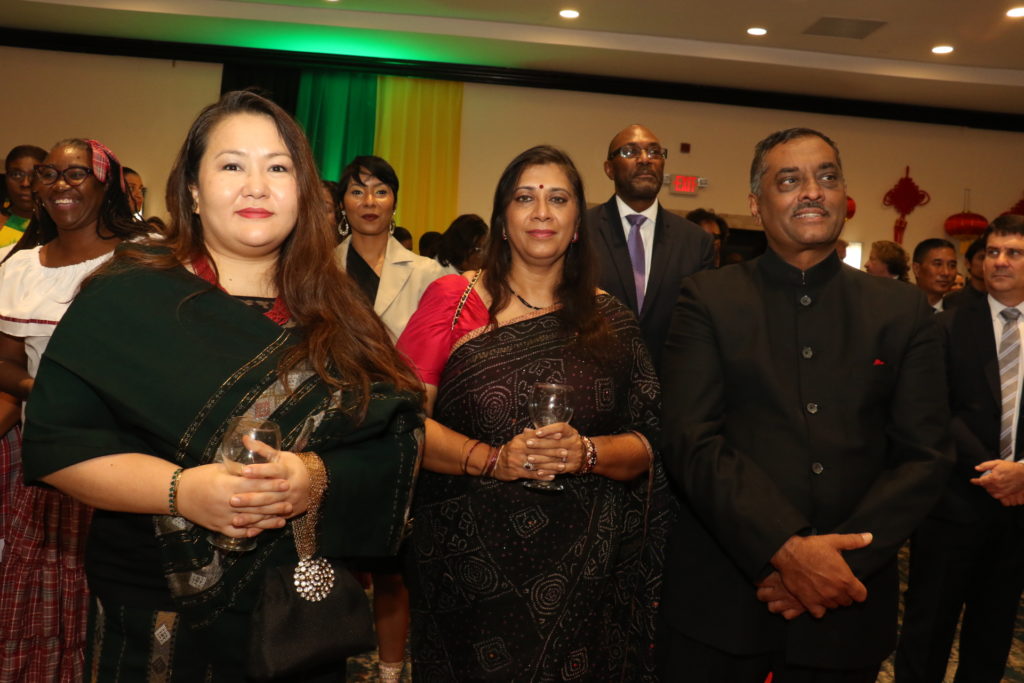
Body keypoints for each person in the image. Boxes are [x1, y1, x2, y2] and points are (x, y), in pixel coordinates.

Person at [19, 91, 422, 681]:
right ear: (192, 190)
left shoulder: (340, 311)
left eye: (278, 168)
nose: (256, 186)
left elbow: (397, 445)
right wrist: (181, 490)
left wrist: (310, 478)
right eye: (232, 165)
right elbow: (60, 444)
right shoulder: (125, 295)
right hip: (152, 611)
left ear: (304, 190)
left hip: (296, 618)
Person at [657, 127, 952, 682]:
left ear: (843, 195)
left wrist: (836, 565)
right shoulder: (708, 298)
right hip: (724, 598)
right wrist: (785, 548)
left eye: (827, 177)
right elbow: (691, 438)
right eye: (789, 180)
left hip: (847, 598)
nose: (812, 191)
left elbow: (925, 455)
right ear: (756, 203)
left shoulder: (902, 310)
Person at [397, 145, 674, 681]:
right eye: (525, 198)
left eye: (558, 199)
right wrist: (492, 459)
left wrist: (586, 453)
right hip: (465, 574)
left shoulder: (612, 322)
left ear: (577, 225)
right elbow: (403, 424)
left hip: (585, 579)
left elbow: (649, 443)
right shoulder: (454, 301)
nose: (542, 212)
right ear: (503, 220)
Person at [0, 138, 142, 683]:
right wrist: (43, 388)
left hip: (121, 462)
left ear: (107, 185)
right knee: (37, 600)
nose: (60, 184)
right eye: (49, 173)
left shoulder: (140, 261)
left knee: (104, 600)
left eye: (77, 173)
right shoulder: (19, 266)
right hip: (43, 463)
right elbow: (6, 362)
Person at [895, 215, 1024, 683]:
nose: (1000, 261)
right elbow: (936, 410)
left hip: (1019, 509)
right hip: (953, 503)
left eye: (1014, 253)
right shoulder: (946, 325)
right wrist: (997, 472)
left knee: (993, 633)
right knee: (927, 631)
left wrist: (1022, 472)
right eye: (993, 252)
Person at [586, 124, 713, 372]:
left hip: (670, 384)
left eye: (655, 152)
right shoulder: (580, 231)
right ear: (609, 169)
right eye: (630, 151)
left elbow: (701, 330)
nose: (645, 159)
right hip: (593, 379)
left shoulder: (695, 242)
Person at [334, 155, 452, 340]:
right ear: (342, 204)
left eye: (381, 192)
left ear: (394, 203)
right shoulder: (320, 269)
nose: (369, 201)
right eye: (357, 192)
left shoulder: (427, 273)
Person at [0, 145, 47, 248]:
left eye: (34, 175)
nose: (25, 183)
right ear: (6, 178)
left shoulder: (61, 228)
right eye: (16, 175)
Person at [912, 237, 957, 312]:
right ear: (917, 269)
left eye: (952, 265)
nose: (946, 272)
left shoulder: (959, 313)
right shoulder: (897, 309)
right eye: (937, 264)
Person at [942, 236, 986, 310]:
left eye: (991, 257)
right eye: (982, 258)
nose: (987, 262)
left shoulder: (1001, 297)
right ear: (968, 263)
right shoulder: (952, 300)